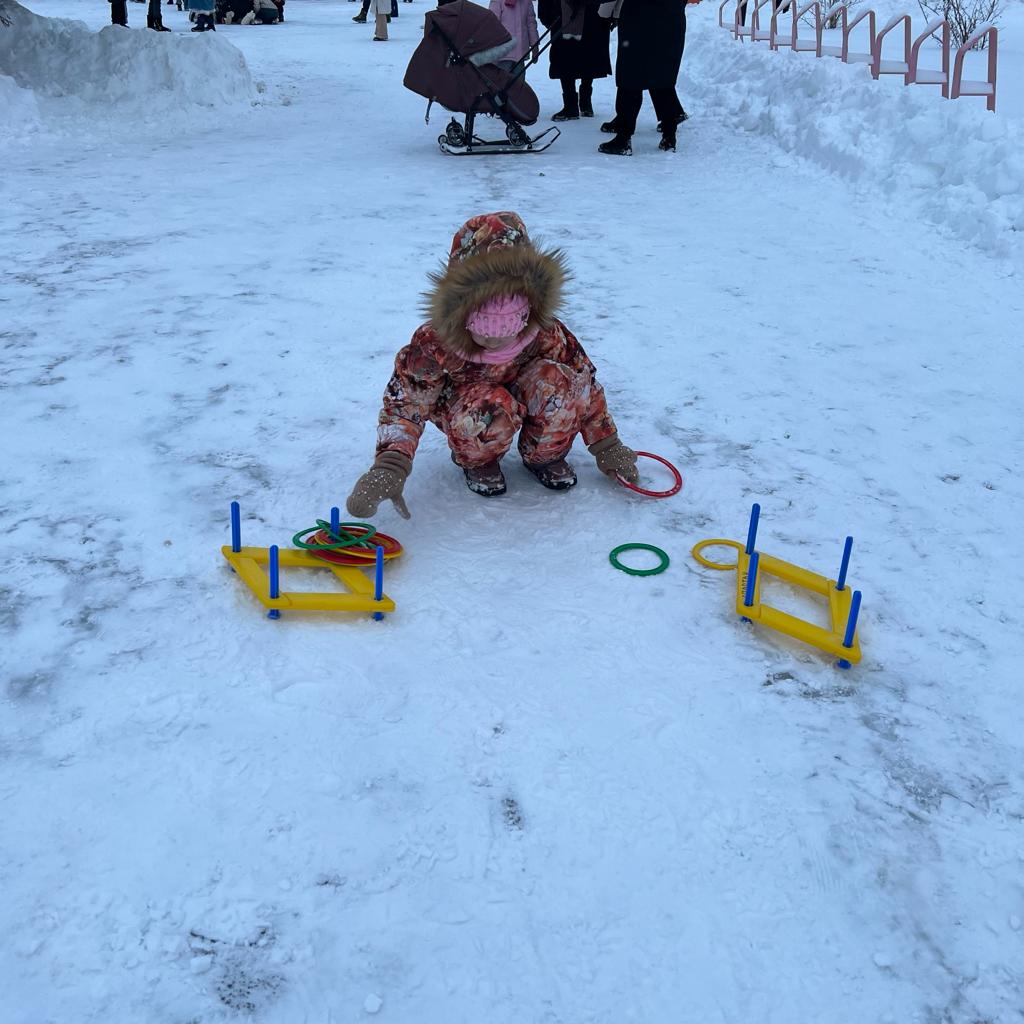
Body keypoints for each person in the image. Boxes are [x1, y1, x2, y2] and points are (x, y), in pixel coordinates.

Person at [346, 212, 639, 518]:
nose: (495, 342)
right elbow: (406, 403)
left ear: (527, 314)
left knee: (561, 380)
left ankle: (545, 454)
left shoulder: (546, 333)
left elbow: (585, 384)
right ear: (462, 314)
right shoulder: (435, 343)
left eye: (508, 327)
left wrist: (607, 445)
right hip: (472, 406)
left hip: (527, 392)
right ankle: (479, 461)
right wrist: (391, 466)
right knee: (487, 404)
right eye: (483, 327)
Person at [597, 0, 698, 155]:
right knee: (662, 78)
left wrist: (602, 12)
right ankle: (669, 136)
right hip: (671, 20)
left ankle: (623, 139)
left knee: (630, 79)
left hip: (639, 20)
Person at [537, 0, 612, 120]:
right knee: (581, 58)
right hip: (586, 16)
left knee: (570, 59)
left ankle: (575, 104)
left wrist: (547, 16)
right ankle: (581, 103)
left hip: (575, 16)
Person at [488, 0, 540, 67]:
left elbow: (531, 24)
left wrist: (535, 45)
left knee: (519, 76)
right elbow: (492, 25)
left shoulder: (526, 1)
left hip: (520, 53)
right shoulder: (498, 1)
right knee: (502, 76)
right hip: (503, 54)